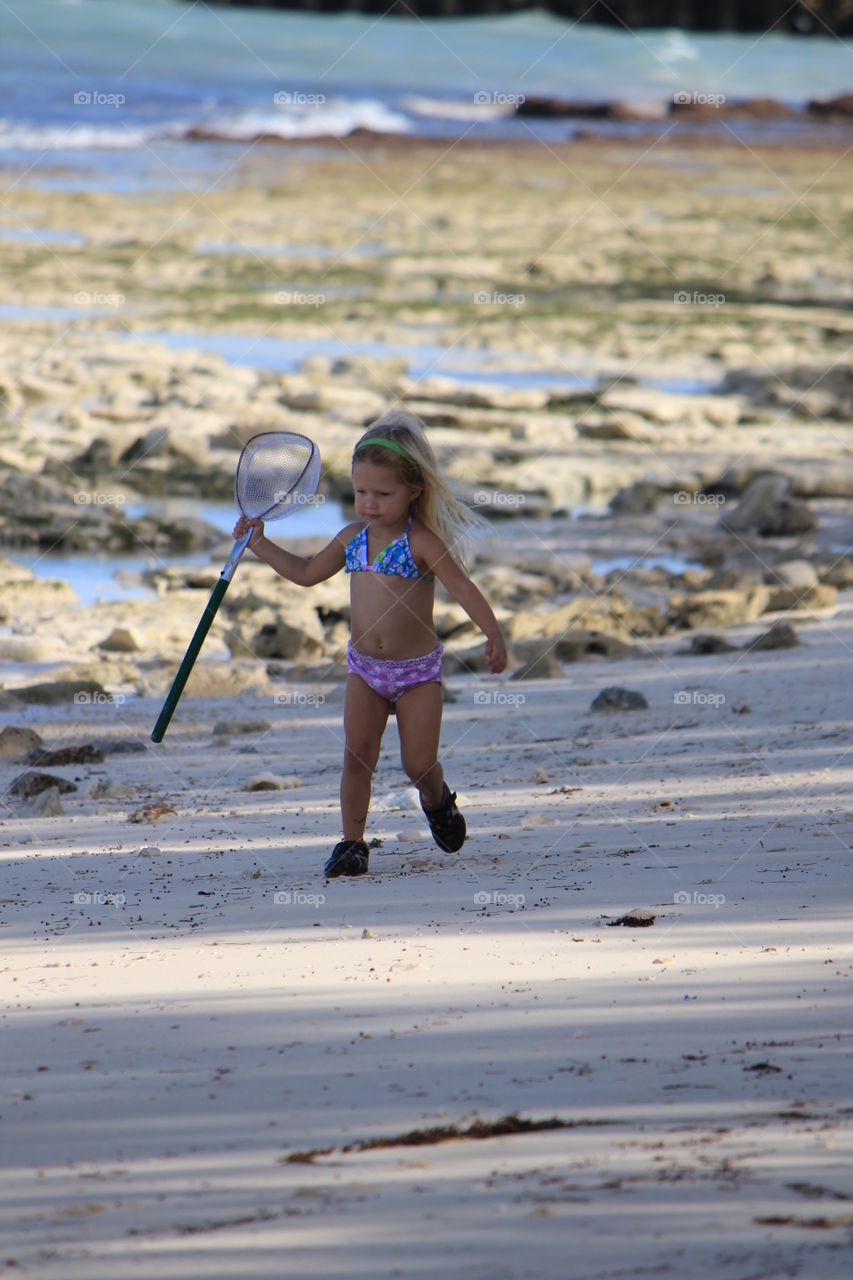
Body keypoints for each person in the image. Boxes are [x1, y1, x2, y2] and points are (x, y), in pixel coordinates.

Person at [233, 409, 508, 878]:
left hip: (417, 673)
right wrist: (259, 544)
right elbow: (305, 573)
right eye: (361, 492)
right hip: (365, 670)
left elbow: (462, 588)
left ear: (413, 491)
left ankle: (437, 799)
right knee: (357, 755)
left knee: (418, 764)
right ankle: (352, 844)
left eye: (383, 494)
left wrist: (493, 633)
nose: (370, 504)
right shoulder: (352, 538)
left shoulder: (421, 541)